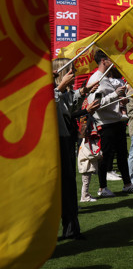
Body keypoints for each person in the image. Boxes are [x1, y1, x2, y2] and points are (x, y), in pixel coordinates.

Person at [53, 58, 99, 239]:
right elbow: (48, 105)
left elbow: (69, 108)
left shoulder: (62, 91)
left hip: (65, 139)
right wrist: (60, 88)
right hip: (55, 141)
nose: (74, 74)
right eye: (70, 71)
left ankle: (72, 229)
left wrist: (83, 93)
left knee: (69, 185)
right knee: (63, 186)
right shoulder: (51, 90)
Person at [88, 50, 133, 197]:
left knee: (122, 155)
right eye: (110, 58)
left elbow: (110, 100)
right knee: (105, 156)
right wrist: (115, 95)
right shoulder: (96, 79)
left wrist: (122, 100)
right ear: (103, 61)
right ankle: (102, 188)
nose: (114, 61)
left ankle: (127, 184)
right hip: (105, 123)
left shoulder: (105, 78)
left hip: (116, 121)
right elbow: (95, 104)